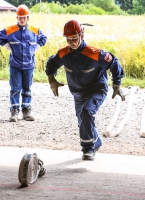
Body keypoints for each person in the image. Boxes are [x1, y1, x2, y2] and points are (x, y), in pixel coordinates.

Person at [45, 19, 125, 161]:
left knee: (87, 112)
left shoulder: (94, 53)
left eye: (74, 39)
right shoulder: (64, 53)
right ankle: (97, 142)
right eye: (68, 39)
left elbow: (114, 62)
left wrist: (116, 85)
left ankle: (88, 149)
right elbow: (51, 63)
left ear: (82, 35)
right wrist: (52, 80)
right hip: (77, 92)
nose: (70, 42)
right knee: (83, 121)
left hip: (96, 89)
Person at [0, 4, 47, 122]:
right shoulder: (10, 30)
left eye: (24, 17)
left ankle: (26, 111)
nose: (22, 20)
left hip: (29, 65)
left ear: (28, 17)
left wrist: (35, 48)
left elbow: (44, 39)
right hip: (15, 65)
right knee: (15, 88)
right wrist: (8, 47)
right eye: (20, 17)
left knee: (27, 89)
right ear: (17, 18)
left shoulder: (35, 30)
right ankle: (14, 112)